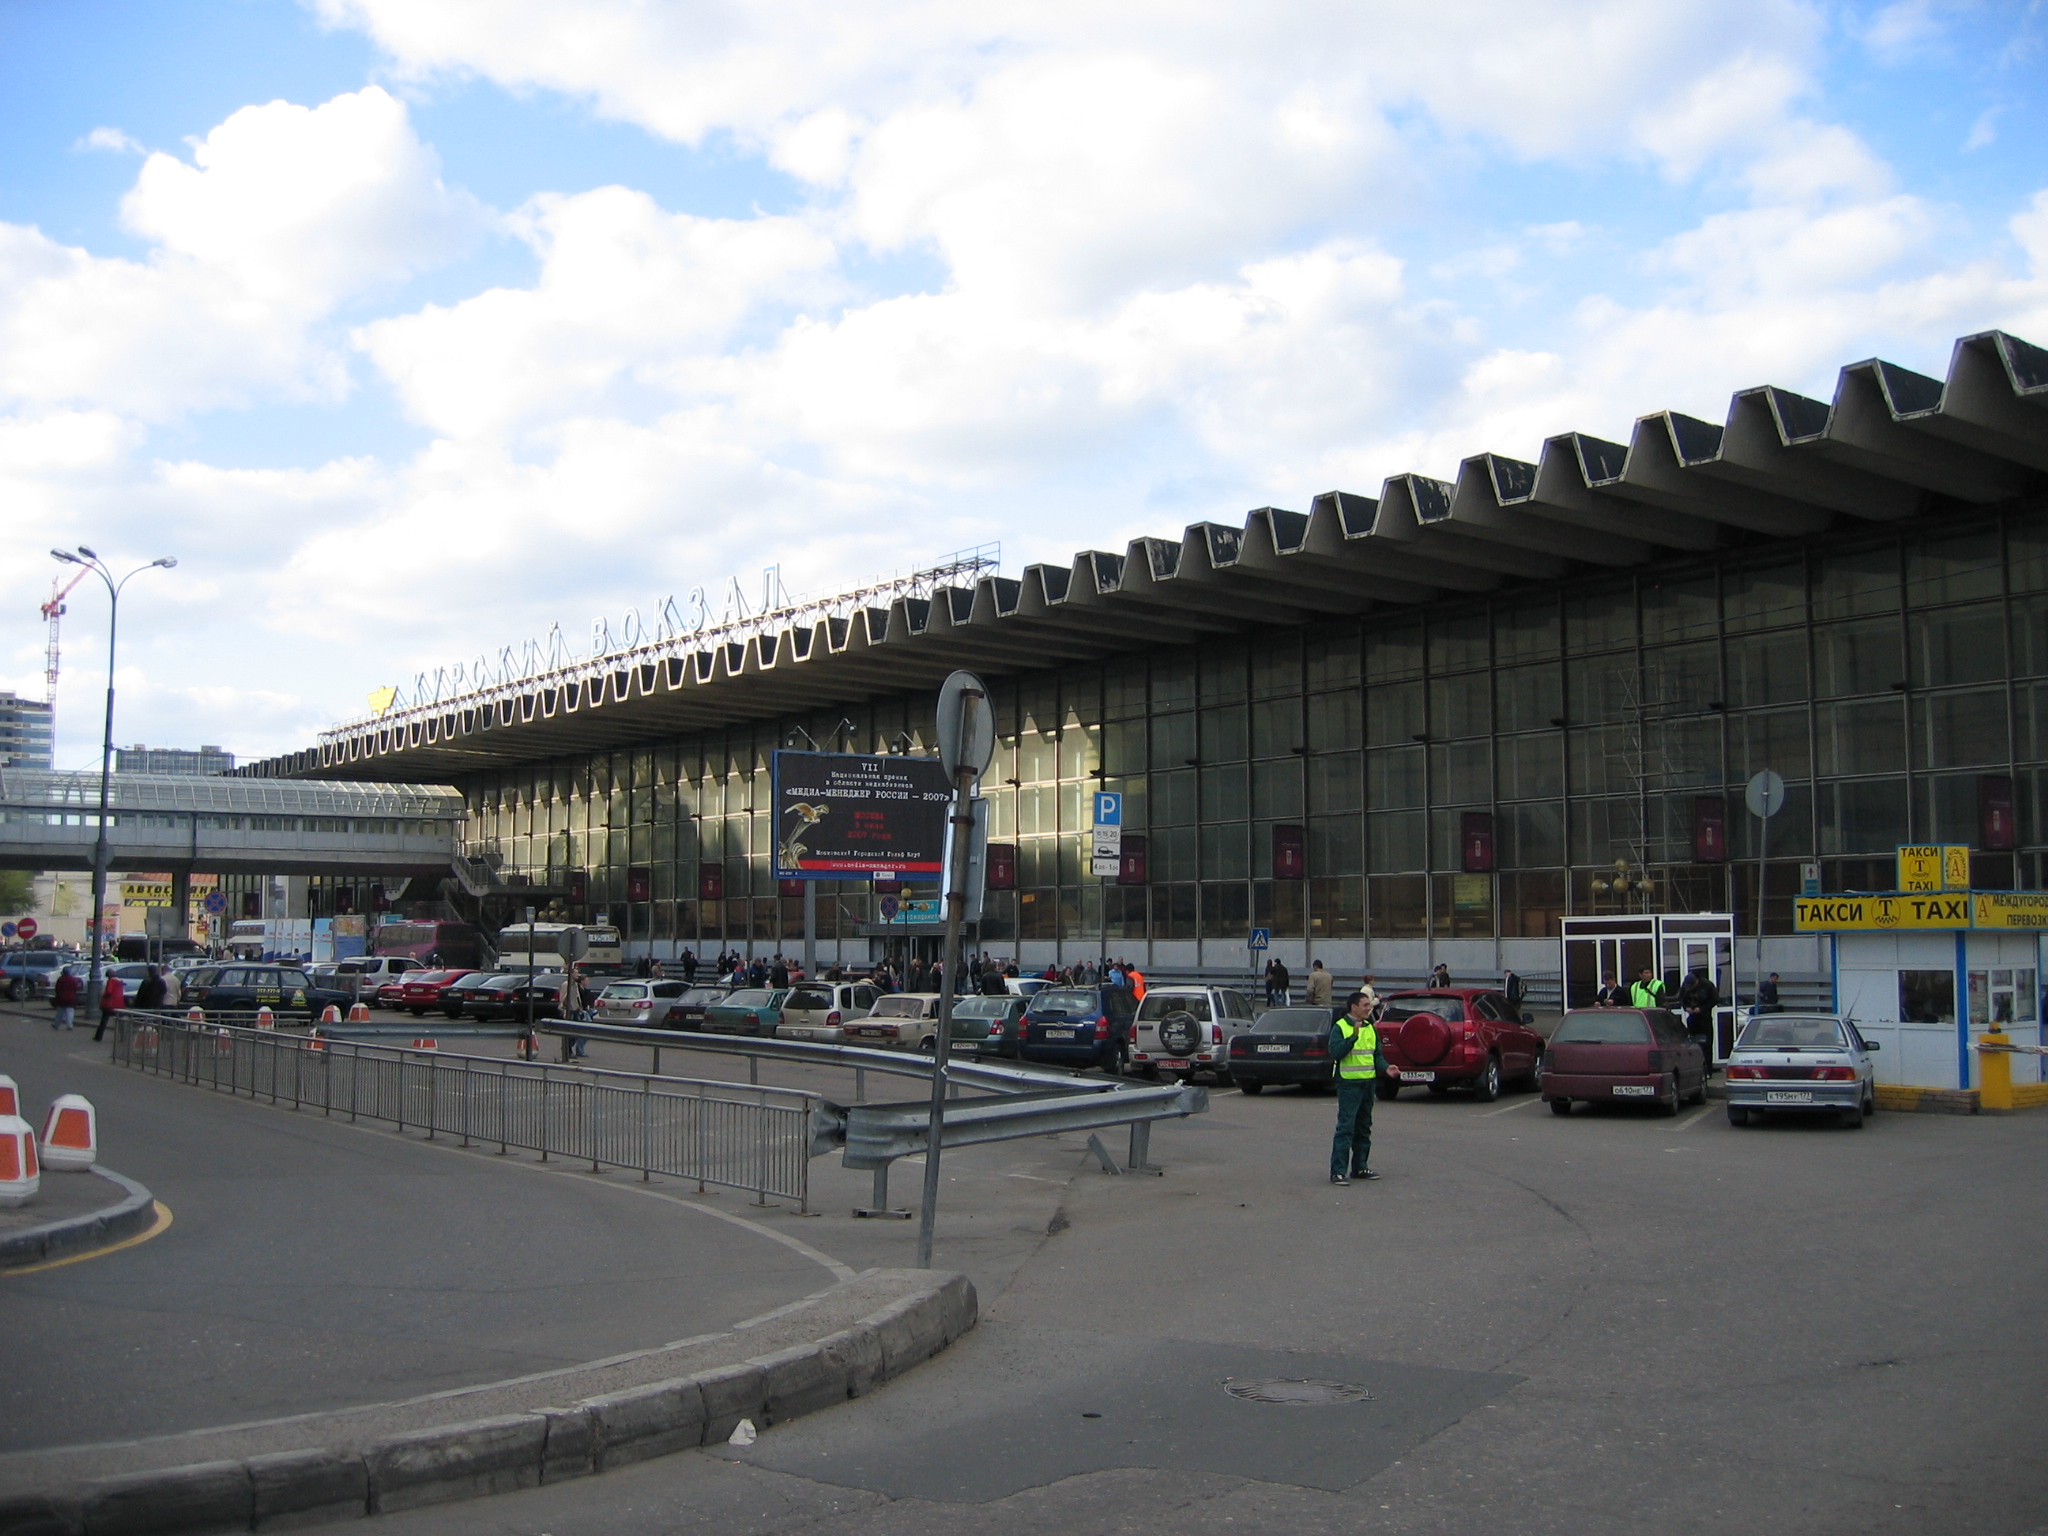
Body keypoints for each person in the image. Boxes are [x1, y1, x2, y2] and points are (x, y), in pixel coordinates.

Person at [1328, 991, 1382, 1184]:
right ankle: (1338, 1171)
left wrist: (1387, 1068)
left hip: (1368, 1083)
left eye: (1369, 1005)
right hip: (1349, 1084)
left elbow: (1377, 1055)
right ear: (1354, 1007)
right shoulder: (1340, 1027)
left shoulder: (1370, 1027)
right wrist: (1353, 1037)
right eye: (1365, 1005)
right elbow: (1336, 1052)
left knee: (1364, 1128)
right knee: (1346, 1128)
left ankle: (1360, 1167)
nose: (1369, 1008)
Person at [1678, 966, 1719, 1056]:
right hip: (1692, 1017)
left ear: (1697, 981)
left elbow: (1715, 999)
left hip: (1705, 1017)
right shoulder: (1685, 985)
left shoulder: (1707, 985)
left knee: (1706, 1043)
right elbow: (1681, 998)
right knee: (1693, 1041)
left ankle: (1707, 1066)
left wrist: (1702, 1008)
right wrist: (1686, 1007)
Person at [93, 971, 128, 1041]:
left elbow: (109, 991)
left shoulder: (111, 981)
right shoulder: (120, 982)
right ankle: (123, 1036)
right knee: (120, 1021)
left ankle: (98, 1037)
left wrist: (103, 995)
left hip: (110, 1004)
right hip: (119, 1004)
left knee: (104, 1021)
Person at [51, 966, 81, 1030]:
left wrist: (58, 995)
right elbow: (76, 988)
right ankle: (69, 1025)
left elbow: (57, 989)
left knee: (60, 1012)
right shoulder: (73, 979)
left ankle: (56, 1024)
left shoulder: (60, 979)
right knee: (70, 1012)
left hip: (62, 998)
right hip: (71, 998)